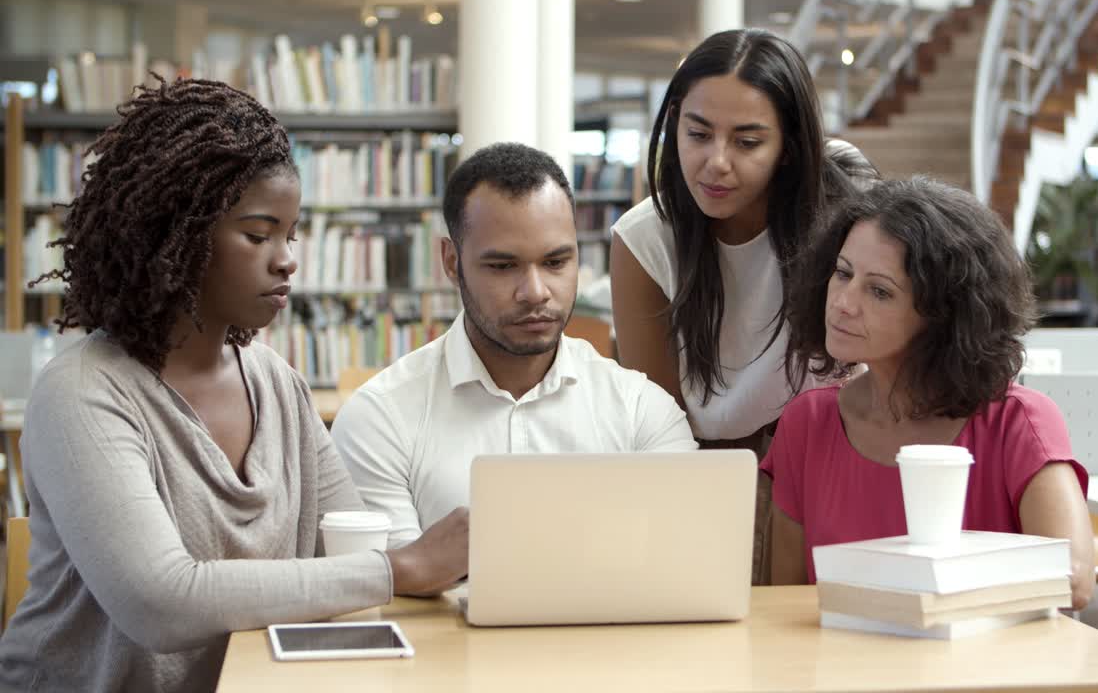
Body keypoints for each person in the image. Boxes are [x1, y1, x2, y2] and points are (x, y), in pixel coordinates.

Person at [0, 79, 466, 693]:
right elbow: (162, 603)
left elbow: (353, 546)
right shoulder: (83, 394)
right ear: (175, 234)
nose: (287, 259)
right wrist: (401, 567)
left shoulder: (276, 382)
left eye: (291, 234)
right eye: (257, 234)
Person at [331, 142, 696, 551]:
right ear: (452, 262)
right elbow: (390, 590)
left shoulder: (641, 410)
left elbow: (682, 561)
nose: (535, 292)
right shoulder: (379, 419)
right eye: (503, 267)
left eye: (556, 262)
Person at [762, 177, 1095, 610]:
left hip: (982, 672)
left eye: (879, 291)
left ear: (944, 315)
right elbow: (782, 602)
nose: (843, 301)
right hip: (844, 671)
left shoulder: (1018, 421)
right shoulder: (807, 424)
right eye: (842, 273)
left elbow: (1074, 581)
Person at [611, 28, 869, 584]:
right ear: (674, 120)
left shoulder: (840, 223)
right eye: (698, 134)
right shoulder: (644, 239)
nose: (715, 163)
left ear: (789, 147)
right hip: (702, 475)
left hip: (834, 460)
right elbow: (659, 420)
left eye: (747, 142)